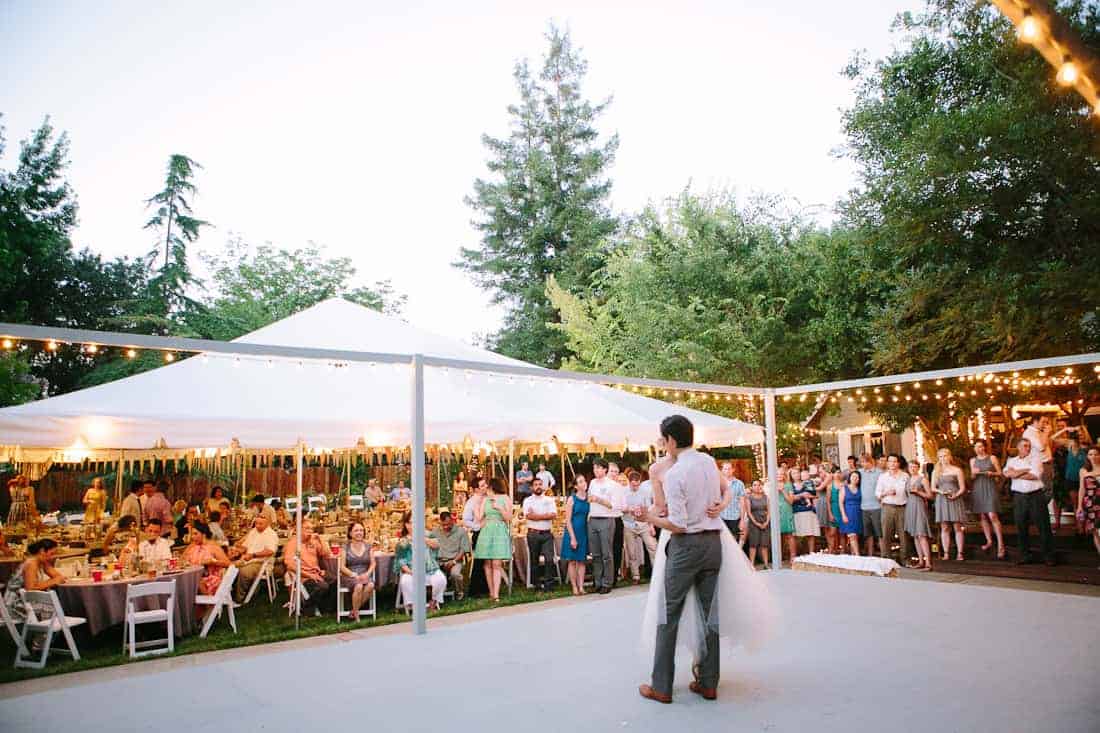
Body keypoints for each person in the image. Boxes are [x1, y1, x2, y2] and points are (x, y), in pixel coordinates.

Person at [639, 415, 776, 704]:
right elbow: (723, 492)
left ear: (671, 441)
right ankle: (708, 682)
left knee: (668, 615)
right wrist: (720, 505)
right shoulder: (706, 462)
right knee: (709, 612)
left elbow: (678, 524)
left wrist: (647, 516)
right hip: (714, 545)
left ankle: (661, 687)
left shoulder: (675, 473)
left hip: (686, 546)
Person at [1004, 438, 1055, 566]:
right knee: (1021, 526)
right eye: (1025, 446)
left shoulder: (1036, 459)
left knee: (1043, 526)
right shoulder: (1012, 460)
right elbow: (1007, 473)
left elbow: (1035, 475)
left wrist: (1016, 473)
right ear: (1018, 447)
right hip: (1019, 497)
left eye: (1029, 446)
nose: (1027, 448)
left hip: (1035, 496)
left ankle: (1048, 556)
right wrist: (1024, 470)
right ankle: (1025, 555)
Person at [2, 538, 66, 623]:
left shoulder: (41, 561)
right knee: (56, 606)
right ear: (42, 551)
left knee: (56, 605)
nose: (52, 557)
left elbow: (59, 577)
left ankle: (47, 633)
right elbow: (30, 588)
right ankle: (46, 633)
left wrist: (48, 567)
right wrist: (53, 581)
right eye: (51, 553)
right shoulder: (31, 563)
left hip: (26, 600)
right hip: (15, 604)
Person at [395, 511, 447, 612]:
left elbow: (436, 545)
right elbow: (401, 561)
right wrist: (411, 572)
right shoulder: (403, 541)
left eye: (415, 522)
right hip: (412, 571)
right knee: (406, 581)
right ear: (406, 525)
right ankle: (415, 606)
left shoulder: (428, 534)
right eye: (409, 523)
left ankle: (433, 602)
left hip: (430, 569)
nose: (412, 525)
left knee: (441, 580)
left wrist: (421, 538)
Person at [587, 458, 624, 594]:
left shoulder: (612, 485)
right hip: (593, 519)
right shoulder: (592, 483)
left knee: (606, 553)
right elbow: (589, 499)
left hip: (607, 519)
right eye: (594, 468)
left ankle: (607, 582)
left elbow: (614, 505)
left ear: (605, 469)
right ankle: (597, 582)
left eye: (598, 468)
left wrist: (599, 500)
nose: (596, 470)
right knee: (595, 554)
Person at [474, 478, 513, 603]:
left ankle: (496, 594)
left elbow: (509, 518)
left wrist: (499, 508)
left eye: (488, 487)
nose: (487, 489)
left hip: (499, 529)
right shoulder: (485, 500)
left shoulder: (505, 498)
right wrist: (476, 504)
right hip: (486, 530)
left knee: (496, 563)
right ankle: (491, 592)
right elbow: (479, 518)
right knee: (487, 563)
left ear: (493, 487)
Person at [283, 518, 333, 615]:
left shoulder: (313, 541)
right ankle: (306, 607)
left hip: (316, 572)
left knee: (335, 580)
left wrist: (320, 540)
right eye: (307, 528)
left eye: (311, 529)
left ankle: (327, 609)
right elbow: (289, 565)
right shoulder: (293, 544)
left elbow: (326, 554)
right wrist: (309, 575)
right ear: (299, 529)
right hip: (303, 576)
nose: (310, 531)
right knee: (322, 586)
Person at [231, 513, 280, 603]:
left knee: (244, 571)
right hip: (248, 559)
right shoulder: (254, 531)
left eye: (260, 524)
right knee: (230, 567)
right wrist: (238, 550)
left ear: (267, 523)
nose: (257, 526)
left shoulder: (271, 534)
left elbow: (270, 551)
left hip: (261, 563)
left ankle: (240, 598)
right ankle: (231, 594)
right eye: (256, 523)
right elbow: (246, 546)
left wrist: (253, 555)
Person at [969, 439, 1005, 559]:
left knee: (992, 515)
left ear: (984, 447)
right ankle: (989, 540)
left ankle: (1001, 544)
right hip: (978, 488)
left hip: (989, 487)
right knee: (983, 515)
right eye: (976, 447)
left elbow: (1000, 473)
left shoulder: (992, 458)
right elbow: (972, 477)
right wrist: (973, 474)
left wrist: (992, 473)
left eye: (980, 446)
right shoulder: (972, 460)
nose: (979, 448)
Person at [522, 477, 558, 590]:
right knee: (534, 559)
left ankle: (549, 584)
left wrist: (537, 516)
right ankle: (536, 584)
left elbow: (553, 515)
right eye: (536, 484)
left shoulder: (549, 500)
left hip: (547, 533)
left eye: (540, 484)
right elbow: (528, 516)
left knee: (549, 559)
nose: (538, 486)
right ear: (531, 487)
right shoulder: (527, 501)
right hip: (533, 533)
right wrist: (545, 516)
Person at [623, 469, 658, 584]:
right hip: (629, 523)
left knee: (652, 547)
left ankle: (657, 573)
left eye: (637, 484)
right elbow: (620, 508)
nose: (635, 487)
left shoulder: (644, 492)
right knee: (632, 552)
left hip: (643, 524)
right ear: (629, 482)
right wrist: (629, 509)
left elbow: (648, 510)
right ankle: (635, 576)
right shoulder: (624, 492)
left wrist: (651, 526)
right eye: (633, 485)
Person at [932, 449, 968, 561]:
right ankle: (946, 553)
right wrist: (941, 492)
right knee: (944, 526)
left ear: (949, 456)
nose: (943, 459)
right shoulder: (936, 471)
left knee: (957, 526)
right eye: (941, 457)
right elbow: (933, 488)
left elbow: (962, 488)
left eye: (945, 456)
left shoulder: (957, 470)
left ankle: (960, 553)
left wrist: (956, 495)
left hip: (955, 498)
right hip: (942, 499)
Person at [875, 454, 910, 563]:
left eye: (895, 461)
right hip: (888, 507)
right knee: (886, 533)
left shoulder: (905, 476)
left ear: (898, 463)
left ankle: (904, 559)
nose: (892, 464)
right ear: (887, 463)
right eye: (890, 461)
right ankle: (887, 559)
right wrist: (886, 493)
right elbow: (877, 493)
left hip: (902, 507)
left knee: (903, 534)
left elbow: (909, 492)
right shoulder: (883, 476)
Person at [560, 474, 591, 595]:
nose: (584, 483)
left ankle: (581, 586)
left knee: (582, 561)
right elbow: (567, 520)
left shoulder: (589, 498)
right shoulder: (571, 499)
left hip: (584, 532)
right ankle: (574, 586)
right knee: (572, 561)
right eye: (581, 482)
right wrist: (572, 537)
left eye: (584, 481)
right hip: (572, 531)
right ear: (576, 486)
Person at [429, 511, 470, 600]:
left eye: (448, 524)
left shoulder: (461, 531)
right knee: (431, 573)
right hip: (439, 561)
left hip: (455, 560)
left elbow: (463, 550)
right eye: (443, 525)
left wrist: (454, 561)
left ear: (452, 520)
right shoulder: (435, 532)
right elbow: (428, 543)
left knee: (455, 574)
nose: (445, 527)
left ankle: (459, 592)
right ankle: (436, 595)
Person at [340, 522, 377, 620]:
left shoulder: (368, 546)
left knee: (371, 585)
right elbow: (342, 567)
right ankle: (356, 616)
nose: (359, 532)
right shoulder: (345, 547)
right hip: (350, 575)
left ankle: (354, 610)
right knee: (359, 586)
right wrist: (353, 575)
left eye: (361, 530)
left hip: (364, 574)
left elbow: (373, 563)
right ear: (350, 533)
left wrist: (367, 574)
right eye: (356, 530)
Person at [182, 521, 230, 596]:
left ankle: (208, 605)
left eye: (195, 534)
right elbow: (181, 561)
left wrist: (213, 562)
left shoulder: (213, 546)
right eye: (192, 534)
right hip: (191, 577)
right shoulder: (191, 546)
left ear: (203, 534)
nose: (192, 537)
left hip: (210, 578)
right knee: (184, 582)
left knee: (197, 581)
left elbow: (228, 563)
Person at [905, 460, 934, 570]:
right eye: (910, 467)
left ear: (918, 468)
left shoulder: (923, 479)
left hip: (920, 506)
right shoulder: (908, 480)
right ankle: (920, 561)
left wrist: (918, 492)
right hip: (910, 507)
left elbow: (930, 496)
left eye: (915, 467)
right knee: (915, 535)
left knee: (922, 534)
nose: (912, 469)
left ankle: (928, 562)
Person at [462, 477, 488, 597]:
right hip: (479, 533)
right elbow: (466, 520)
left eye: (485, 484)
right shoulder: (471, 502)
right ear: (477, 489)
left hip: (491, 532)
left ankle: (487, 587)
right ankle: (475, 590)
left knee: (488, 561)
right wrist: (477, 527)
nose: (486, 487)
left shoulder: (489, 499)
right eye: (482, 485)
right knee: (479, 562)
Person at [1075, 447, 1100, 568]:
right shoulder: (1083, 470)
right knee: (1095, 531)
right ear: (1087, 456)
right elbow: (1081, 489)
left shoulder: (1088, 472)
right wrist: (1079, 506)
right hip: (1090, 502)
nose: (1093, 457)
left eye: (1096, 454)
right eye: (1090, 454)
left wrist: (1091, 474)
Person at [1059, 430, 1087, 533]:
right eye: (1071, 440)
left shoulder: (1085, 449)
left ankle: (1084, 526)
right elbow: (1052, 438)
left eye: (1075, 439)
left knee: (1085, 504)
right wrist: (1064, 430)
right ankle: (1079, 526)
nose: (1073, 442)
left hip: (1083, 480)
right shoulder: (1069, 447)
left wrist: (1082, 429)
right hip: (1070, 479)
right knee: (1076, 504)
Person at [1022, 415, 1054, 499]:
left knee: (1048, 490)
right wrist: (1046, 433)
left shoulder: (1038, 432)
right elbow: (1041, 447)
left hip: (1047, 464)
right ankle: (1038, 511)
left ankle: (1040, 510)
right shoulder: (1029, 433)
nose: (1045, 425)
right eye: (1043, 422)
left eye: (1046, 422)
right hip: (1041, 464)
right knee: (1044, 490)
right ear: (1035, 422)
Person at [858, 454, 883, 556]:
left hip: (877, 506)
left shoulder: (879, 472)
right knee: (868, 534)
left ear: (870, 461)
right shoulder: (860, 472)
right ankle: (870, 555)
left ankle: (884, 554)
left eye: (864, 462)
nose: (862, 464)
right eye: (861, 462)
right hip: (864, 507)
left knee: (879, 532)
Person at [791, 469, 819, 555]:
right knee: (795, 534)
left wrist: (810, 497)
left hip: (809, 510)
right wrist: (801, 495)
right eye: (794, 473)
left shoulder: (807, 483)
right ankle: (795, 555)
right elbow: (791, 498)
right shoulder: (791, 486)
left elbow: (816, 495)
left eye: (798, 472)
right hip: (797, 511)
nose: (796, 474)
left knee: (810, 533)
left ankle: (811, 553)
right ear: (791, 475)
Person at [718, 462, 747, 546]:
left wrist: (742, 519)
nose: (727, 471)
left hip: (734, 516)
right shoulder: (718, 483)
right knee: (722, 540)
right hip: (721, 516)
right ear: (722, 470)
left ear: (733, 470)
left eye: (729, 469)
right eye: (725, 469)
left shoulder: (739, 484)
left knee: (733, 540)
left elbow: (742, 503)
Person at [745, 480, 770, 568]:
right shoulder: (749, 498)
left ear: (761, 486)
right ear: (752, 487)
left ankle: (766, 564)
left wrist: (767, 522)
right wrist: (756, 523)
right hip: (754, 522)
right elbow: (749, 512)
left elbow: (769, 510)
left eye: (759, 485)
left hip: (765, 522)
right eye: (755, 485)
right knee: (753, 544)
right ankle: (751, 565)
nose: (757, 486)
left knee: (765, 544)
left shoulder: (765, 497)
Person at [838, 470, 863, 555]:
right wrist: (843, 515)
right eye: (853, 476)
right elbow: (840, 503)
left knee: (856, 536)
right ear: (850, 478)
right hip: (848, 513)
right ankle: (858, 555)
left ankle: (853, 555)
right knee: (852, 535)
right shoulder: (844, 488)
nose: (855, 478)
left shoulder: (860, 489)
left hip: (858, 514)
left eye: (857, 477)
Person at [824, 469, 846, 554]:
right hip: (834, 508)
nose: (838, 474)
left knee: (842, 533)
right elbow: (828, 501)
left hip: (843, 509)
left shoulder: (844, 485)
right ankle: (831, 550)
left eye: (839, 472)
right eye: (835, 472)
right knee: (832, 533)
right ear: (832, 474)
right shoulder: (830, 486)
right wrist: (830, 513)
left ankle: (843, 551)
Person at [778, 468, 796, 562]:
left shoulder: (788, 485)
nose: (779, 476)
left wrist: (783, 491)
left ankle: (792, 556)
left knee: (789, 534)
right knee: (777, 535)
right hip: (776, 511)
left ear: (784, 475)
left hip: (786, 510)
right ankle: (779, 557)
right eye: (778, 474)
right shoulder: (772, 485)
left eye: (781, 474)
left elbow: (791, 501)